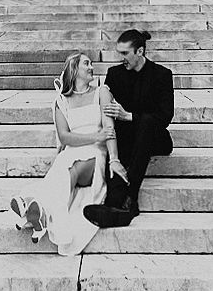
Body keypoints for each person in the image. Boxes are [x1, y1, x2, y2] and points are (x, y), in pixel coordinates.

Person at [9, 51, 128, 255]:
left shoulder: (102, 93)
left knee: (71, 170)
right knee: (63, 167)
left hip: (95, 156)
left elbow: (109, 130)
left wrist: (114, 159)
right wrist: (95, 136)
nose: (92, 67)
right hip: (73, 150)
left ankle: (35, 208)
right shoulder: (61, 102)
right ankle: (39, 213)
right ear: (74, 69)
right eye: (87, 64)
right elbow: (64, 137)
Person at [83, 29, 174, 228]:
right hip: (130, 138)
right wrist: (113, 156)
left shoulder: (162, 74)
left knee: (147, 123)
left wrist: (129, 116)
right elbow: (107, 110)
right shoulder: (114, 74)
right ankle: (116, 205)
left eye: (125, 53)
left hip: (156, 137)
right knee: (118, 137)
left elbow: (165, 117)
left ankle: (130, 195)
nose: (121, 58)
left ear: (140, 51)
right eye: (119, 53)